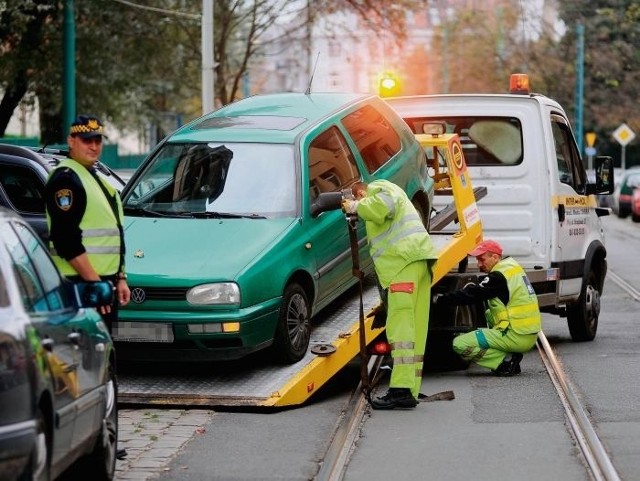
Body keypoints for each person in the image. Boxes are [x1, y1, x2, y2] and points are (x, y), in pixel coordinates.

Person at [342, 179, 438, 409]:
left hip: (401, 264)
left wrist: (354, 207)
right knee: (416, 327)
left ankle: (401, 390)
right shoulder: (396, 190)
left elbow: (383, 205)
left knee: (401, 328)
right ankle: (410, 388)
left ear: (361, 192)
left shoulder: (378, 188)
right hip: (418, 262)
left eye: (358, 198)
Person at [45, 114, 130, 331]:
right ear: (71, 141)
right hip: (82, 286)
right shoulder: (66, 179)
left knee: (103, 354)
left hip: (101, 284)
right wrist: (96, 284)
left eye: (98, 141)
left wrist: (120, 277)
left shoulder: (92, 176)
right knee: (87, 357)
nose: (93, 146)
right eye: (86, 141)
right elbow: (66, 241)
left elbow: (113, 234)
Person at [433, 240, 541, 376]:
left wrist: (440, 299)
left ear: (495, 257)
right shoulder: (512, 268)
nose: (478, 264)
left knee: (459, 343)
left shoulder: (497, 277)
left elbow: (472, 294)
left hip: (515, 336)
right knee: (489, 311)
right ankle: (509, 354)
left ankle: (504, 361)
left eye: (481, 259)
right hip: (528, 334)